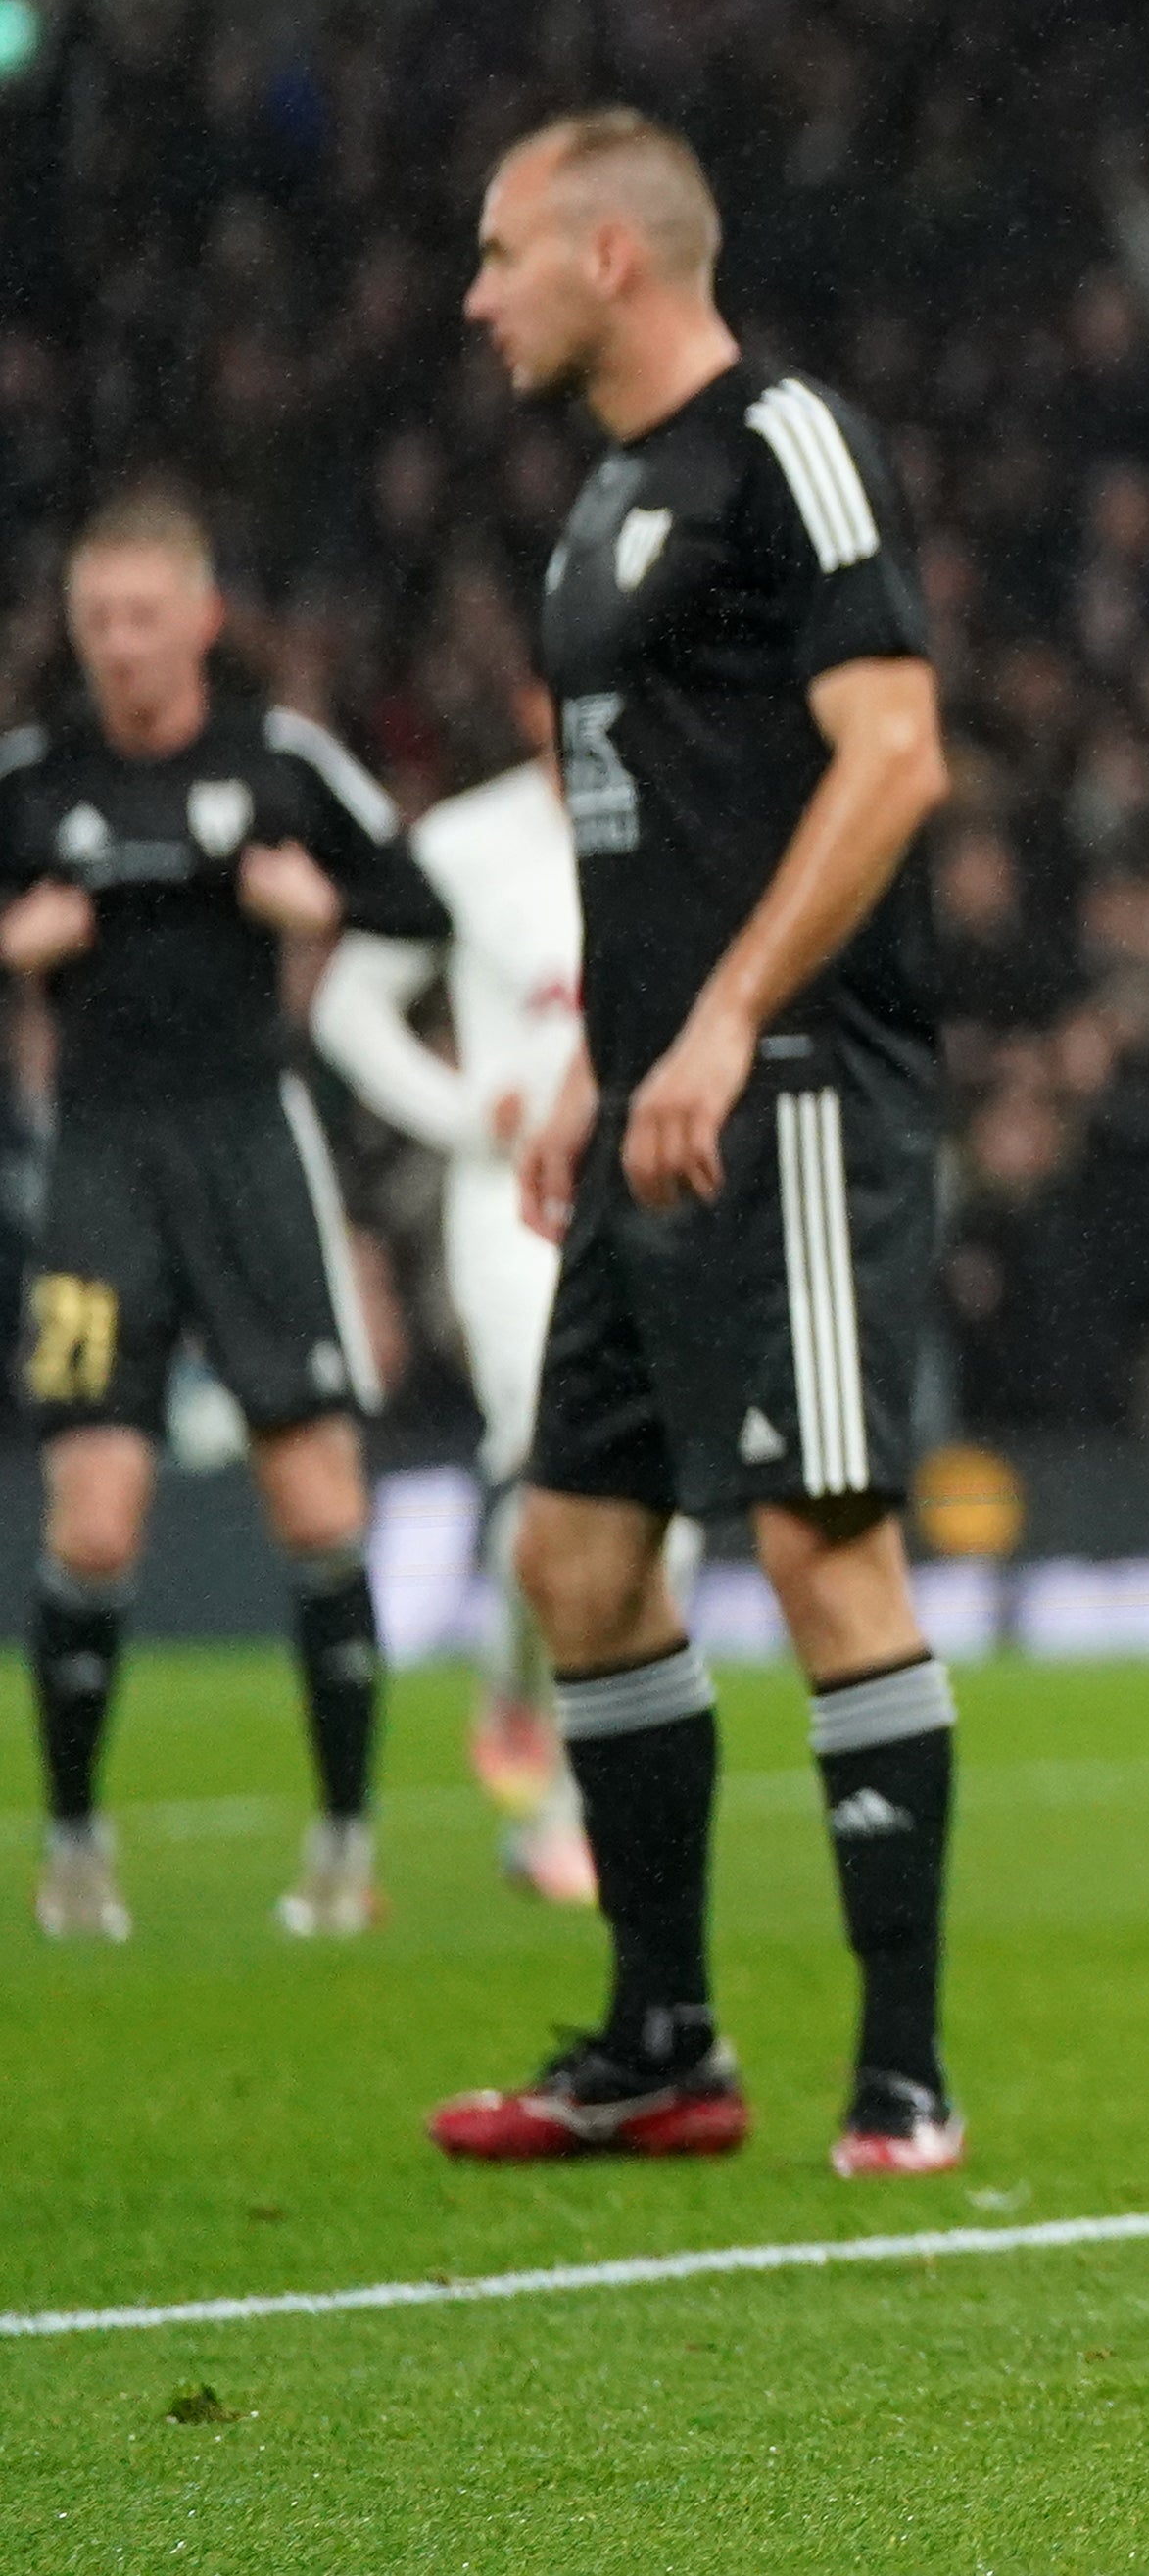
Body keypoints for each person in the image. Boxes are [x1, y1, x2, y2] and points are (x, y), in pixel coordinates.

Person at [425, 109, 966, 2179]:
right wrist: (601, 1042)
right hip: (652, 1094)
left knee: (826, 1547)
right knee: (575, 1553)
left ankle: (901, 2073)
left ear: (615, 256)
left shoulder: (782, 447)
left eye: (501, 253)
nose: (477, 295)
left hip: (800, 1085)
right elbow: (640, 812)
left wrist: (730, 1014)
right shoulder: (601, 501)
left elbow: (895, 750)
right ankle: (661, 2040)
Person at [8, 490, 446, 1942]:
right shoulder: (35, 776)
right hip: (103, 1166)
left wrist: (316, 902)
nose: (119, 648)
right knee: (93, 1520)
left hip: (255, 1149)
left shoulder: (278, 758)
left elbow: (422, 902)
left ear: (201, 618)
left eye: (143, 618)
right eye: (96, 624)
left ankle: (343, 1840)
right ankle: (73, 1847)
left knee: (321, 1504)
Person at [311, 675, 623, 1905]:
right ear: (536, 701)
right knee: (561, 1458)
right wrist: (464, 1111)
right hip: (514, 1206)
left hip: (656, 1191)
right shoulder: (462, 843)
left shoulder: (677, 821)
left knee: (662, 1506)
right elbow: (346, 1006)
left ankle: (521, 1693)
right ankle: (548, 1797)